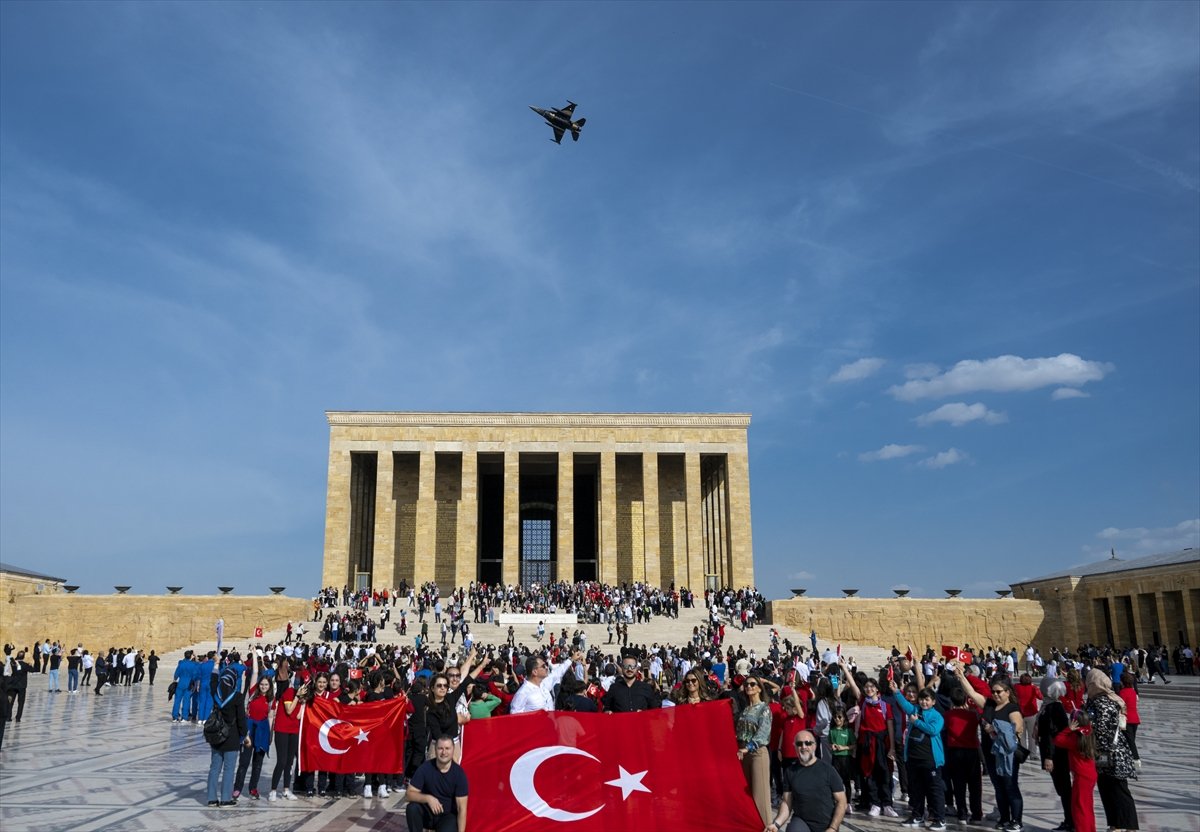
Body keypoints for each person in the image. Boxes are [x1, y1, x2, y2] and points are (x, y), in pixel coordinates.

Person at [959, 665, 1025, 831]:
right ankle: (1004, 818)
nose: (995, 694)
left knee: (1010, 786)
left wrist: (994, 728)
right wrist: (960, 676)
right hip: (991, 753)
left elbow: (1017, 727)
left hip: (1006, 755)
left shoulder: (1012, 708)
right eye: (993, 691)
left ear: (1007, 692)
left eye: (999, 692)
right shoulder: (989, 704)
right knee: (999, 787)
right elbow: (972, 694)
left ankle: (1016, 820)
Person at [1084, 669, 1139, 832]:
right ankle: (1115, 824)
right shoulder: (1103, 700)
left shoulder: (1103, 702)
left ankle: (1129, 826)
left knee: (1119, 789)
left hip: (1113, 754)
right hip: (1105, 753)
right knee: (1107, 789)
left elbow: (1102, 729)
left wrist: (1084, 727)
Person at [889, 680, 947, 830]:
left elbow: (933, 730)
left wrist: (916, 723)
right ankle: (917, 816)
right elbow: (904, 704)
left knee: (934, 790)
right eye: (922, 699)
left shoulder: (937, 716)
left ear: (933, 701)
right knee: (916, 789)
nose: (924, 702)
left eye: (927, 699)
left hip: (930, 759)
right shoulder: (915, 710)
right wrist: (896, 691)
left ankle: (939, 818)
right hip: (913, 758)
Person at [764, 729, 848, 832]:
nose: (803, 747)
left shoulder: (828, 770)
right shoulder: (790, 772)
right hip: (802, 822)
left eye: (808, 743)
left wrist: (833, 828)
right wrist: (776, 824)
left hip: (826, 825)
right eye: (799, 744)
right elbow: (786, 802)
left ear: (814, 746)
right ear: (795, 747)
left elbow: (842, 801)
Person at [405, 735, 468, 832]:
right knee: (412, 808)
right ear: (435, 749)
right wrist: (428, 798)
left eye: (447, 748)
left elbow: (462, 809)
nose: (444, 752)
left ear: (453, 750)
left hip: (447, 816)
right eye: (440, 748)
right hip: (427, 813)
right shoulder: (425, 768)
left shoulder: (459, 774)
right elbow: (408, 794)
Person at [205, 663, 246, 807]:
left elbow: (213, 680)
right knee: (229, 769)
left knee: (214, 767)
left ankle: (211, 798)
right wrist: (244, 735)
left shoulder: (215, 693)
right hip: (232, 737)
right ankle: (225, 799)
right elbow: (241, 719)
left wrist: (216, 664)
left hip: (217, 736)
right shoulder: (237, 697)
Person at [736, 675, 775, 827]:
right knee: (748, 796)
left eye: (753, 684)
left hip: (756, 752)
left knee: (761, 797)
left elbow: (763, 733)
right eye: (747, 684)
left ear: (759, 687)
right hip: (743, 753)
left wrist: (748, 747)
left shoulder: (764, 708)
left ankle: (766, 827)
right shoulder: (745, 709)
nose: (749, 687)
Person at [1038, 680, 1074, 832]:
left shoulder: (1054, 707)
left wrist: (1049, 756)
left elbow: (1050, 735)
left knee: (1064, 788)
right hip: (1057, 753)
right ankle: (1070, 819)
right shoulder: (1049, 706)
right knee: (1062, 788)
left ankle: (1070, 821)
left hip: (1057, 755)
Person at [1055, 710, 1098, 832]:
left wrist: (1068, 729)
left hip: (1081, 776)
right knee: (1087, 806)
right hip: (1090, 774)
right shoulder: (1088, 732)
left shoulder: (1074, 738)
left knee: (1079, 808)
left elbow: (1058, 740)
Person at [233, 672, 272, 800]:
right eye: (262, 684)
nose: (264, 686)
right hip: (249, 730)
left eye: (266, 685)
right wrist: (255, 655)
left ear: (270, 686)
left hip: (263, 730)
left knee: (258, 763)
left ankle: (253, 788)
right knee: (244, 761)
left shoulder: (271, 699)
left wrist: (271, 735)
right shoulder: (252, 694)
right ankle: (237, 788)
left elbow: (271, 717)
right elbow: (255, 672)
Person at [269, 660, 303, 801]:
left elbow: (298, 715)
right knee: (282, 761)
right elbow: (289, 710)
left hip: (293, 730)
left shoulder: (300, 697)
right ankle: (273, 790)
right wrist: (297, 696)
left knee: (290, 761)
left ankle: (286, 789)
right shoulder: (289, 692)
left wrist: (304, 702)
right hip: (282, 729)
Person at [509, 650, 582, 714]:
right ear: (534, 671)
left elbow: (557, 673)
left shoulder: (544, 684)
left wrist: (571, 659)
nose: (547, 668)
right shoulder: (522, 693)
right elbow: (515, 717)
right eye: (543, 666)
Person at [1116, 672, 1140, 768]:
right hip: (1135, 719)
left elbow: (1121, 706)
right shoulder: (1133, 691)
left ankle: (1136, 759)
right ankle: (1129, 758)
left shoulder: (1122, 692)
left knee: (1130, 741)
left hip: (1127, 719)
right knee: (1131, 739)